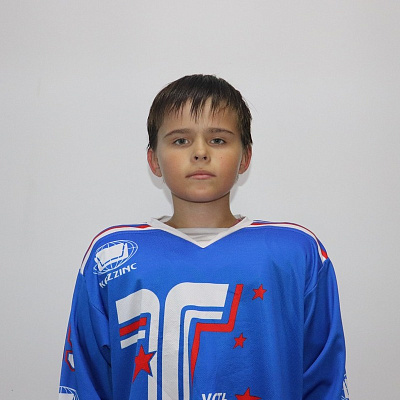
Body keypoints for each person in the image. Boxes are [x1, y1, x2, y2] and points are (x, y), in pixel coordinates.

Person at [59, 74, 349, 400]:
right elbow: (87, 380)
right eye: (181, 140)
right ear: (154, 159)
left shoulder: (297, 251)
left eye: (218, 140)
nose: (200, 152)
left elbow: (324, 380)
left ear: (245, 157)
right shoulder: (109, 256)